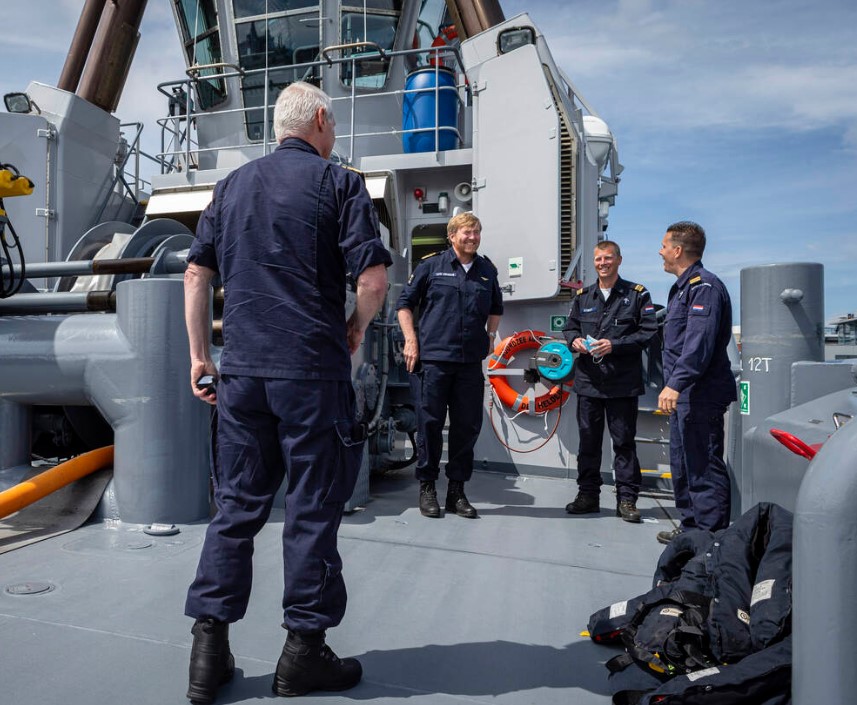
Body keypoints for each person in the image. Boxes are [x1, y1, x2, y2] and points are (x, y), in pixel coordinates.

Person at [182, 81, 391, 704]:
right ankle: (302, 654)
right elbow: (373, 281)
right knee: (311, 510)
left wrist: (201, 357)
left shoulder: (229, 187)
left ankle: (208, 654)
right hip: (311, 376)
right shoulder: (341, 184)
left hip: (242, 375)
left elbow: (195, 275)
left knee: (235, 508)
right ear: (321, 119)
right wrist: (356, 327)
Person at [396, 212, 503, 519]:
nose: (473, 237)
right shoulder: (431, 266)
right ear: (452, 236)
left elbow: (496, 307)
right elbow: (405, 305)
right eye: (467, 232)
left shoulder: (487, 270)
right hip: (434, 360)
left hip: (469, 363)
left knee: (466, 427)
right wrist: (411, 340)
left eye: (477, 232)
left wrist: (491, 336)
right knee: (429, 424)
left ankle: (456, 491)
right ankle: (427, 487)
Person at [563, 240, 658, 523]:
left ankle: (626, 500)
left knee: (624, 444)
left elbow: (648, 333)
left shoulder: (637, 294)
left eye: (607, 258)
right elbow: (570, 327)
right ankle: (587, 496)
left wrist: (614, 346)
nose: (602, 263)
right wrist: (574, 340)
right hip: (589, 383)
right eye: (598, 259)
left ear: (618, 260)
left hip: (622, 384)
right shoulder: (583, 297)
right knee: (588, 443)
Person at [656, 221, 737, 544]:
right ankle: (690, 530)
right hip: (685, 394)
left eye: (664, 246)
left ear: (677, 250)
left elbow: (698, 344)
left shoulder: (704, 287)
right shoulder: (683, 288)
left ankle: (709, 539)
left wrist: (675, 384)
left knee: (703, 464)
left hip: (700, 393)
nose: (660, 252)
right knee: (683, 463)